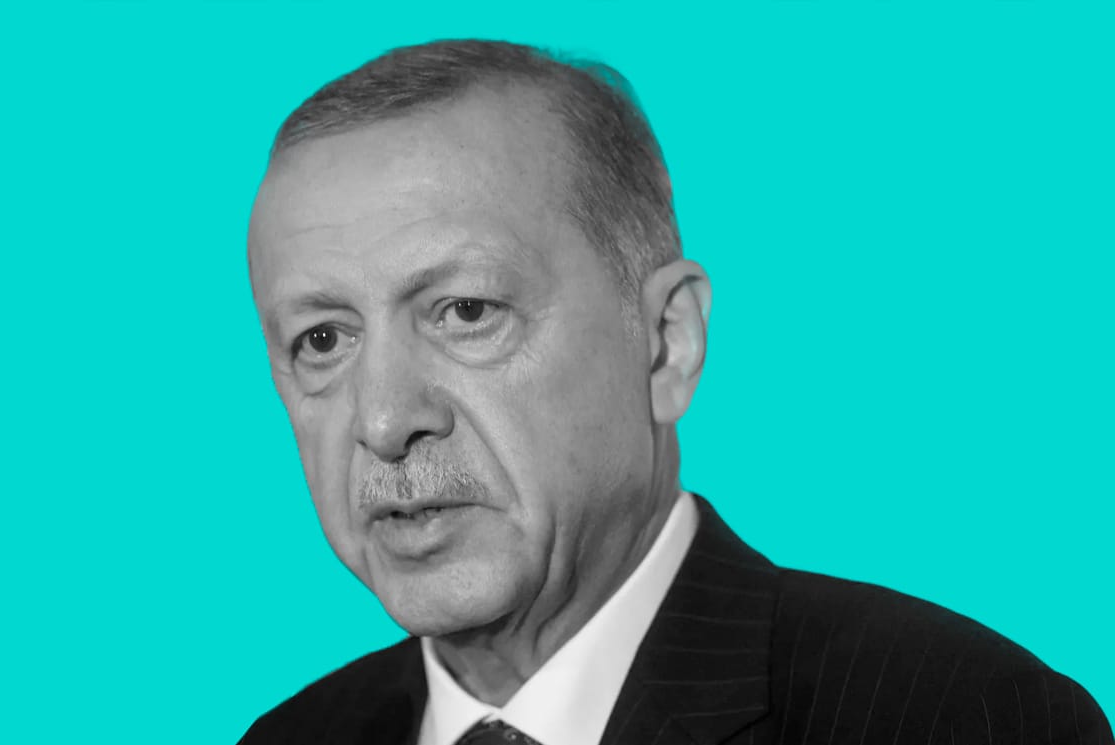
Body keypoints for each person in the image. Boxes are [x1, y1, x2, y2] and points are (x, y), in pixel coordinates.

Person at [239, 39, 1111, 745]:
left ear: (666, 343)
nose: (385, 419)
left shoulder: (961, 718)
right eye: (323, 339)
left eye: (466, 311)